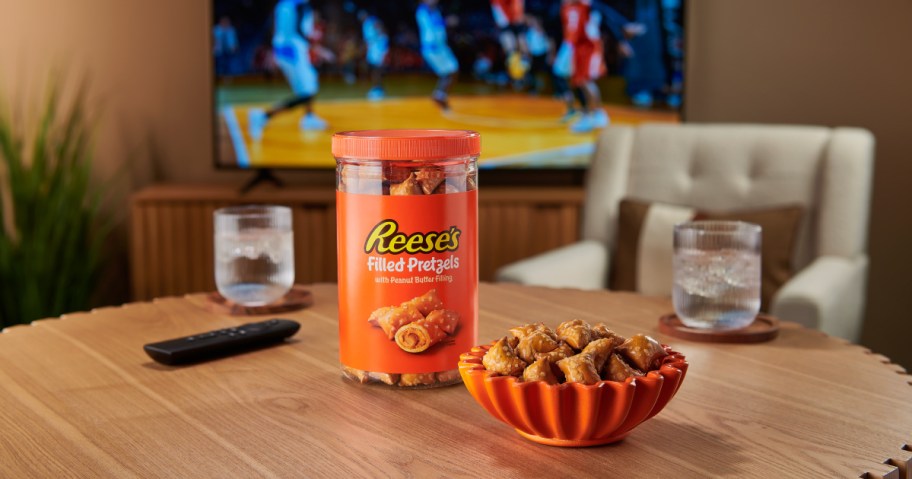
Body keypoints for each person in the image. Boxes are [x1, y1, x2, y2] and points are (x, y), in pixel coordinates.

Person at [248, 0, 327, 140]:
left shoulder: (283, 4)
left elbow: (275, 28)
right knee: (308, 91)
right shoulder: (301, 5)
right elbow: (298, 29)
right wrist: (315, 47)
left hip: (284, 48)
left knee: (310, 82)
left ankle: (309, 117)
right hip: (293, 50)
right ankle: (263, 116)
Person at [560, 0, 609, 133]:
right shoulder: (569, 7)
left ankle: (596, 114)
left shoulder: (588, 7)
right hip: (577, 48)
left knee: (586, 81)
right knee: (580, 81)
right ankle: (591, 114)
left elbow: (604, 21)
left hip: (588, 48)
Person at [416, 0, 459, 111]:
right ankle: (440, 96)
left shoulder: (434, 10)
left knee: (449, 72)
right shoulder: (423, 11)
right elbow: (434, 24)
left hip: (440, 46)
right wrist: (447, 21)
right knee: (451, 71)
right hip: (433, 47)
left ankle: (440, 95)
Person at [490, 0, 528, 82]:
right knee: (510, 42)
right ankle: (517, 70)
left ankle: (519, 69)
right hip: (502, 9)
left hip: (511, 12)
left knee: (518, 40)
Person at [359, 10, 389, 101]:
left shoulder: (371, 21)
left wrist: (382, 45)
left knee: (376, 69)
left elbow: (382, 31)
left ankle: (378, 89)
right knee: (373, 68)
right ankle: (378, 88)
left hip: (377, 47)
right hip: (373, 47)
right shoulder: (365, 24)